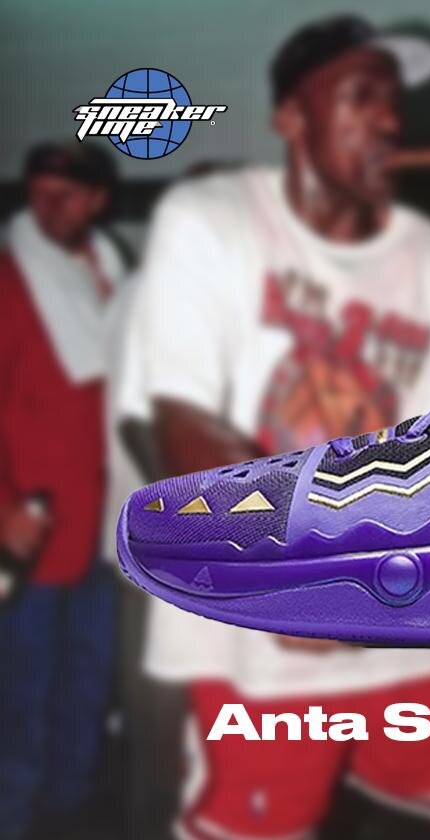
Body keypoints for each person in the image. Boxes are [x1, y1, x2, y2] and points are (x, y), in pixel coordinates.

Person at [120, 15, 430, 839]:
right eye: (361, 96)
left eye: (396, 101)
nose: (391, 120)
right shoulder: (210, 221)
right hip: (253, 616)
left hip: (408, 607)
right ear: (291, 117)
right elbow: (183, 417)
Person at [0, 142, 124, 839]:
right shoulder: (10, 282)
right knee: (23, 690)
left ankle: (70, 811)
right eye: (39, 191)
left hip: (103, 522)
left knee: (88, 678)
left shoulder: (111, 271)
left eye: (67, 194)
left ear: (99, 200)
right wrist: (2, 509)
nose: (49, 206)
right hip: (33, 525)